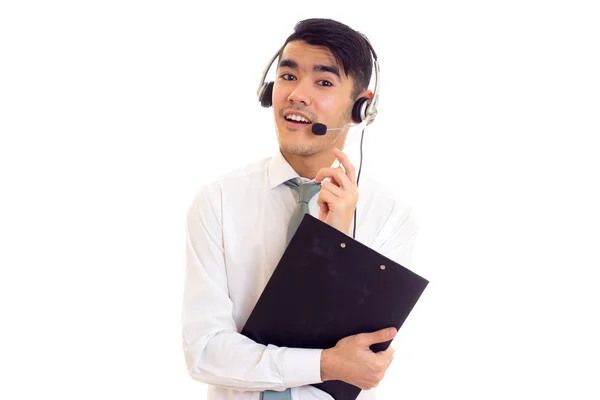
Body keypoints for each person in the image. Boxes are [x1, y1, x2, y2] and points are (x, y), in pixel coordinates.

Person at [182, 18, 419, 400]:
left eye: (323, 82)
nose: (297, 95)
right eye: (288, 76)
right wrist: (325, 363)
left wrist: (336, 244)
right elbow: (205, 352)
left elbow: (364, 364)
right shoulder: (219, 201)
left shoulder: (391, 216)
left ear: (362, 106)